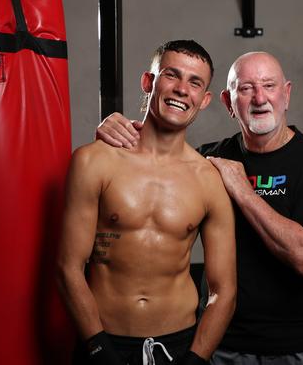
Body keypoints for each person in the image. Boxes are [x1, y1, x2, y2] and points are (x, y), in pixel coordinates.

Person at [96, 51, 303, 365]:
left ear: (286, 94)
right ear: (229, 103)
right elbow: (146, 188)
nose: (259, 98)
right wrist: (115, 134)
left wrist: (242, 189)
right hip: (226, 347)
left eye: (269, 86)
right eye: (246, 89)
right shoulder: (208, 160)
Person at [57, 40, 236, 365]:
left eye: (195, 82)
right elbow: (68, 267)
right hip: (101, 341)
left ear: (205, 99)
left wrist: (197, 359)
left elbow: (224, 290)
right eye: (172, 75)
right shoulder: (93, 161)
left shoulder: (209, 179)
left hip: (179, 346)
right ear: (148, 82)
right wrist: (100, 351)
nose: (182, 89)